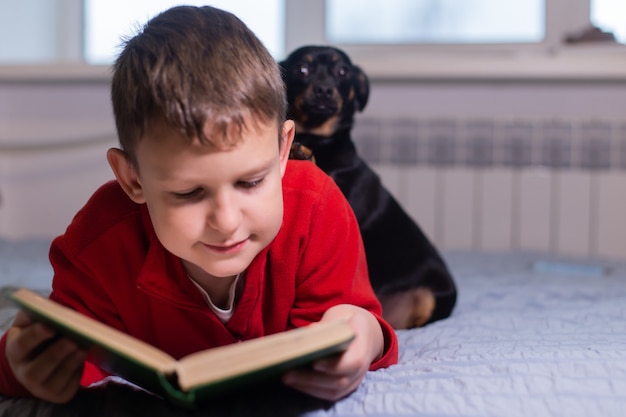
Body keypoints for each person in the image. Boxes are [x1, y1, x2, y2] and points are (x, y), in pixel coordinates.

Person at [0, 5, 398, 405]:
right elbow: (49, 352)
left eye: (251, 182)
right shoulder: (97, 244)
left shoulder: (316, 205)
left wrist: (363, 336)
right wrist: (25, 367)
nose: (226, 222)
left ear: (283, 151)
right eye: (188, 193)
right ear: (132, 178)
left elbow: (362, 322)